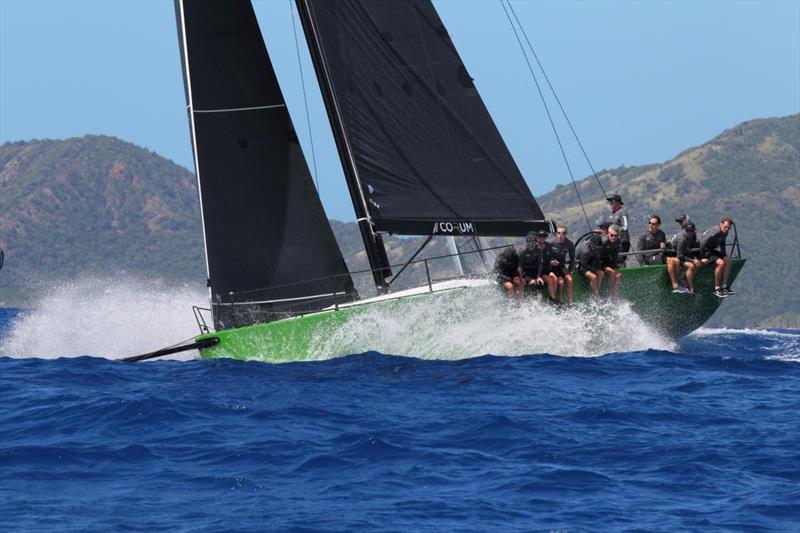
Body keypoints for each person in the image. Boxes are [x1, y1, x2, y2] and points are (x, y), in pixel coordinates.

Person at [699, 216, 735, 297]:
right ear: (721, 224)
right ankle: (717, 288)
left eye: (728, 228)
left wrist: (724, 255)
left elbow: (722, 243)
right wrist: (702, 258)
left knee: (728, 261)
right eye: (725, 227)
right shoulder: (716, 231)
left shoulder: (725, 232)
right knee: (721, 263)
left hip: (712, 251)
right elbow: (702, 243)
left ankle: (724, 287)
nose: (726, 229)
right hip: (705, 251)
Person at [666, 221, 704, 293]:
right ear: (685, 230)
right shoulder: (682, 239)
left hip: (685, 254)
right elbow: (679, 255)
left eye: (691, 231)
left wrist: (700, 258)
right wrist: (693, 260)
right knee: (691, 266)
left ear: (694, 230)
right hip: (676, 256)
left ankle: (686, 279)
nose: (689, 232)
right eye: (687, 231)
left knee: (700, 263)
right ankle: (690, 287)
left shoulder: (693, 236)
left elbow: (695, 247)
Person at [549, 226, 576, 304]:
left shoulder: (569, 244)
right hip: (552, 267)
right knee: (561, 282)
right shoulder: (551, 244)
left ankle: (571, 302)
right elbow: (546, 258)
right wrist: (551, 262)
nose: (561, 235)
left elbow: (572, 259)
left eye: (563, 233)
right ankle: (559, 299)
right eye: (559, 233)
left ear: (566, 234)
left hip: (561, 266)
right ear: (556, 234)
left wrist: (570, 271)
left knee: (570, 279)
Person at [534, 230, 559, 301]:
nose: (542, 238)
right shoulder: (534, 247)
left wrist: (553, 261)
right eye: (540, 236)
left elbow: (551, 257)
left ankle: (553, 297)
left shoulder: (549, 246)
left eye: (544, 236)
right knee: (549, 280)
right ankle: (554, 299)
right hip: (539, 271)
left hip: (547, 269)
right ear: (537, 237)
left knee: (555, 279)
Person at [599, 224, 622, 296]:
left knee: (618, 275)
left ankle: (615, 294)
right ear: (608, 233)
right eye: (612, 235)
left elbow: (615, 255)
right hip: (599, 261)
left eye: (616, 235)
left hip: (608, 260)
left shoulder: (618, 241)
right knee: (613, 272)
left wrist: (615, 266)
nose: (614, 237)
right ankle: (610, 293)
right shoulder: (603, 241)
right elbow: (596, 256)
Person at [607, 194, 630, 262]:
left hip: (622, 242)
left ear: (618, 203)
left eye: (612, 201)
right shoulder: (612, 213)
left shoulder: (622, 212)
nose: (610, 203)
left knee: (619, 261)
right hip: (613, 242)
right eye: (610, 201)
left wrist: (615, 232)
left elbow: (625, 227)